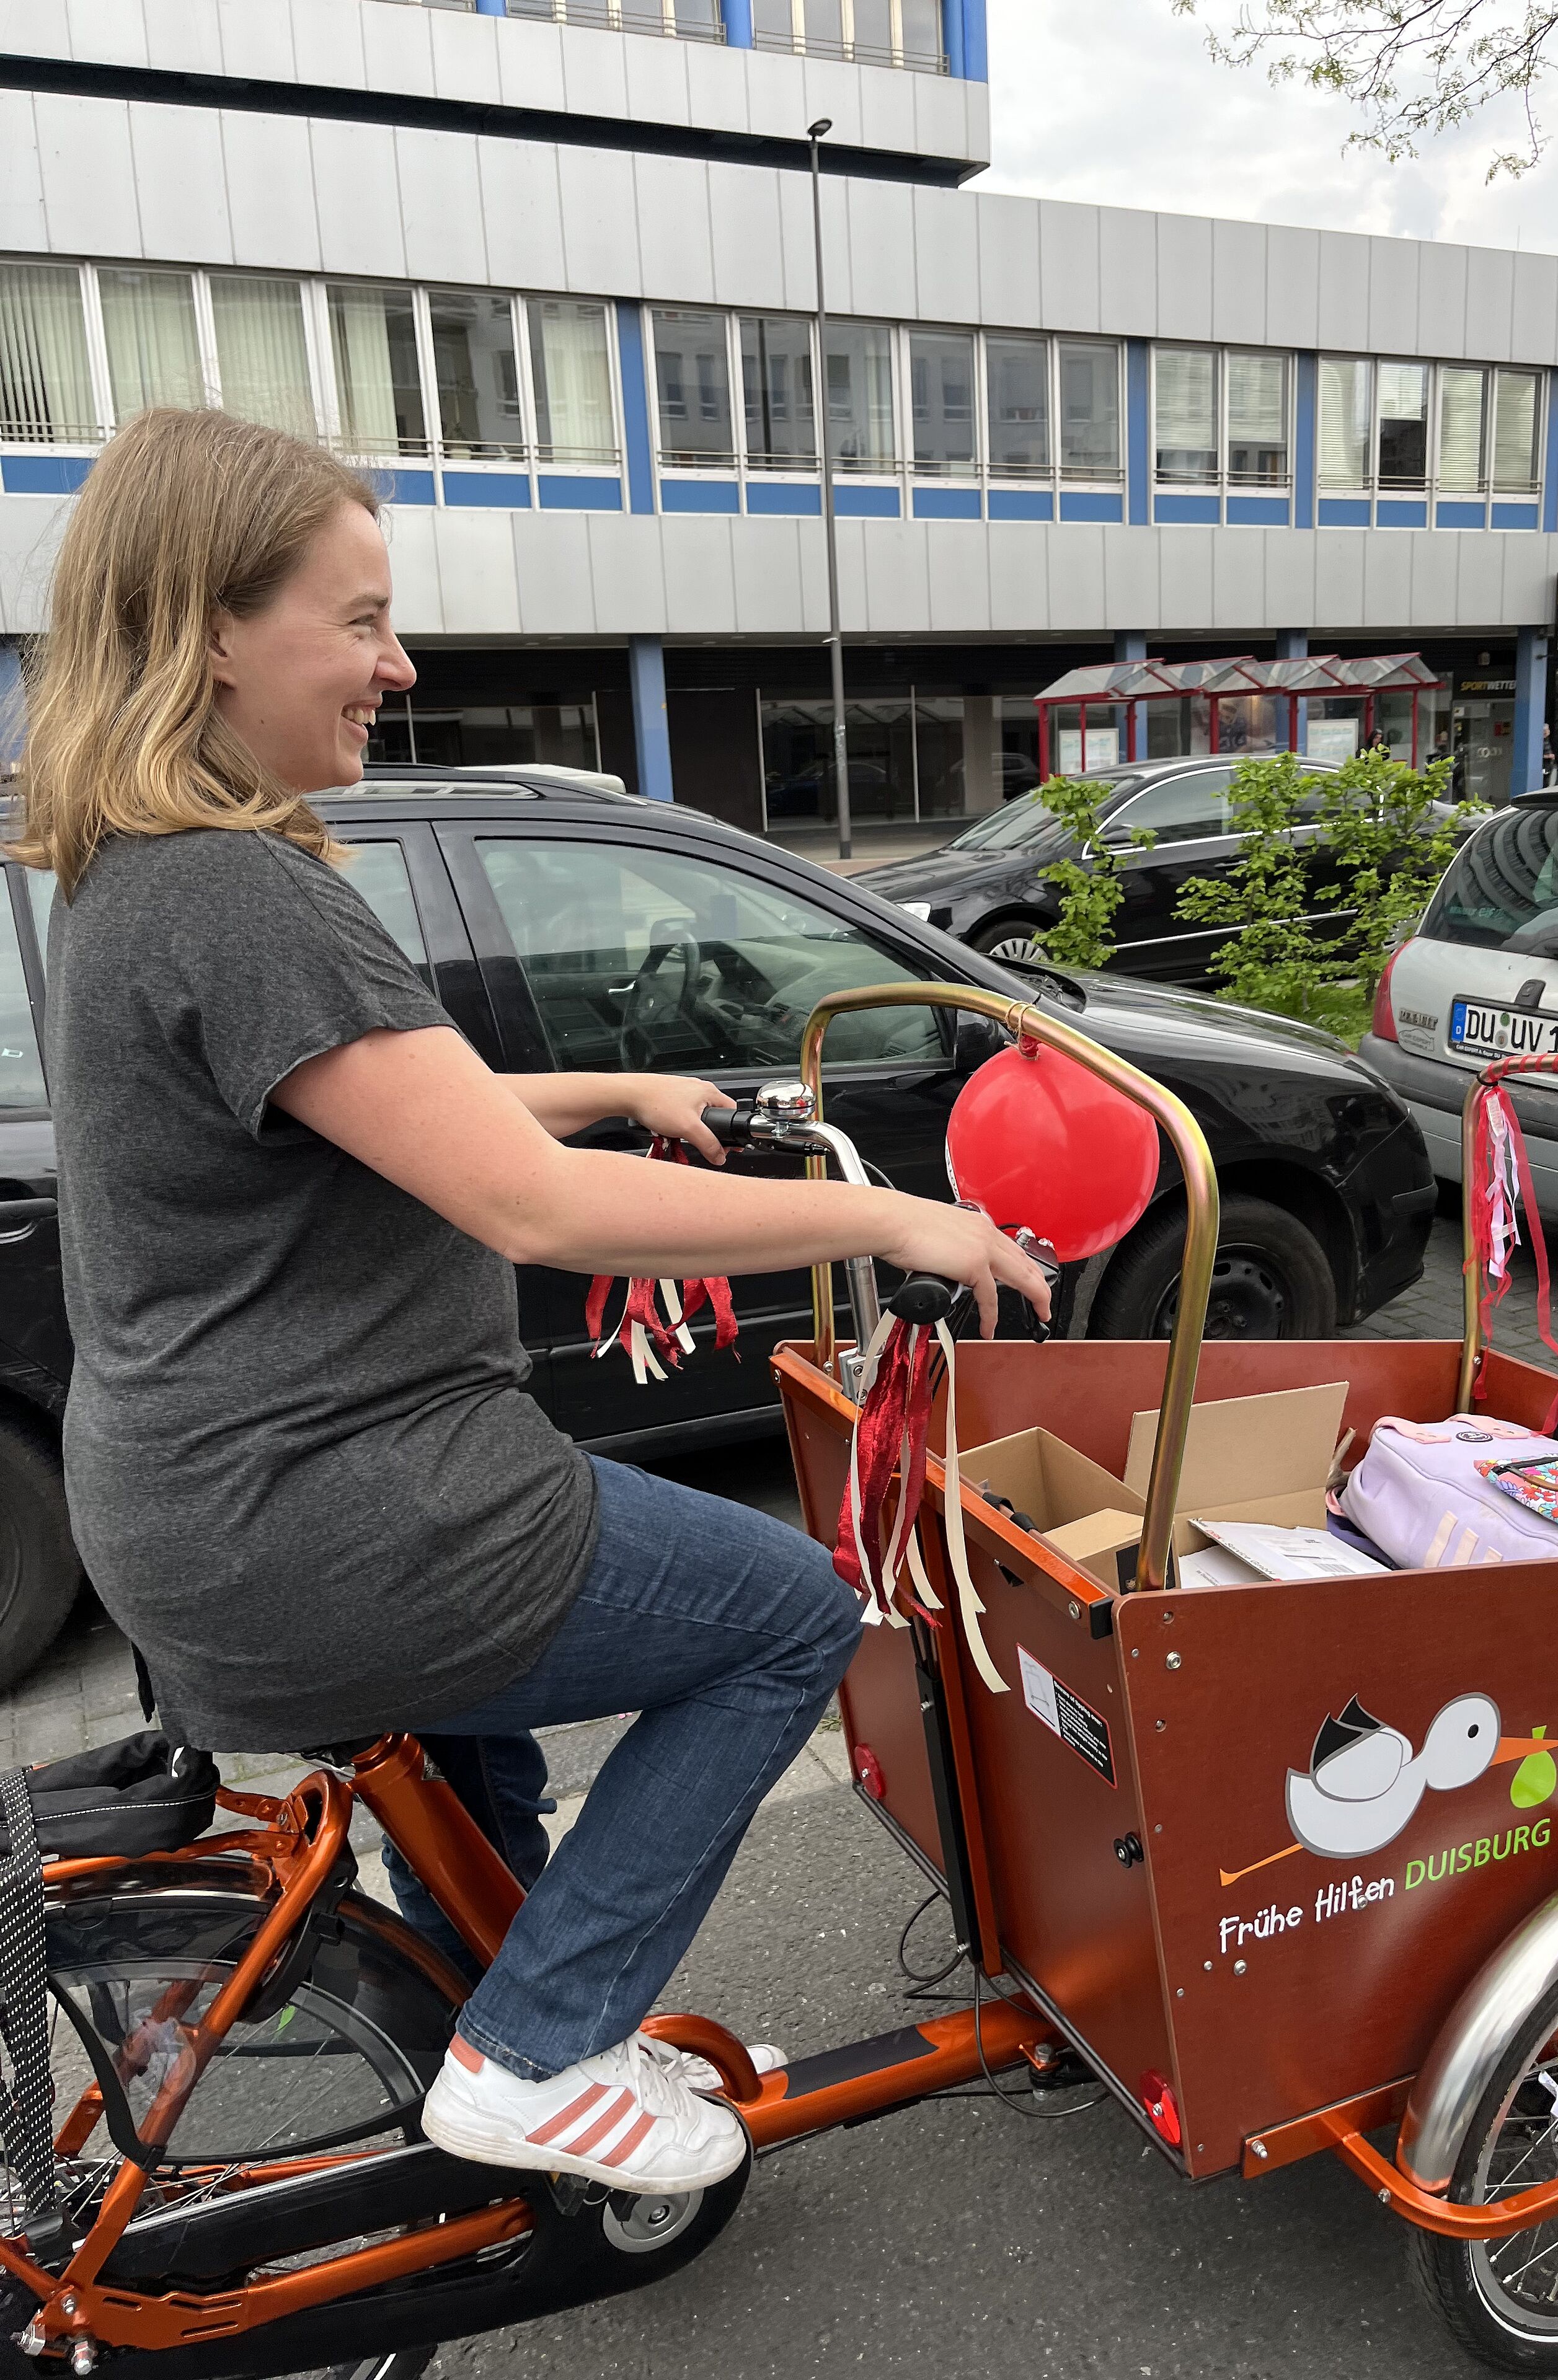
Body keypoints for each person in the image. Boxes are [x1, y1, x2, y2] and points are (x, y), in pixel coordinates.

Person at [11, 410, 1048, 2198]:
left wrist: (604, 1091)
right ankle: (540, 2048)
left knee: (479, 1785)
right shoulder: (245, 893)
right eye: (359, 618)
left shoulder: (138, 879)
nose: (396, 666)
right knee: (786, 1616)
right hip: (337, 1509)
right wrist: (901, 1217)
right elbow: (525, 1207)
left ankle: (506, 2031)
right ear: (208, 633)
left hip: (199, 1514)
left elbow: (386, 1115)